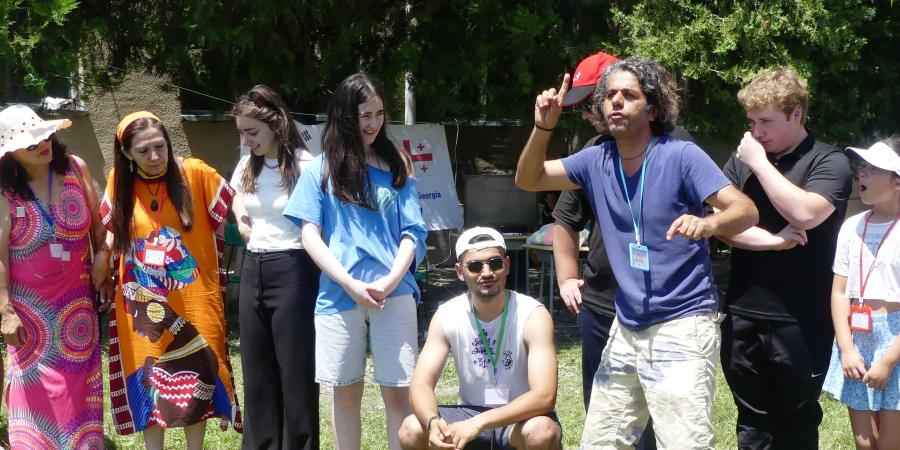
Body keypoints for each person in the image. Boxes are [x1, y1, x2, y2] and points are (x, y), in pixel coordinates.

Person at [515, 57, 758, 449]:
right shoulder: (596, 160)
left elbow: (745, 210)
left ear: (653, 109)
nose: (615, 102)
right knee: (600, 443)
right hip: (626, 326)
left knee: (685, 444)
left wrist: (709, 224)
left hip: (682, 324)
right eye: (609, 95)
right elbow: (529, 179)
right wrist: (544, 125)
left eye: (628, 95)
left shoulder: (681, 155)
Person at [283, 73, 428, 450]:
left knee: (398, 394)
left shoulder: (399, 164)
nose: (373, 123)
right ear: (346, 115)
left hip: (394, 296)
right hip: (337, 297)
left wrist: (391, 281)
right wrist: (350, 283)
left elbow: (413, 232)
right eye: (365, 114)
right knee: (344, 394)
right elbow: (309, 235)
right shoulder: (319, 169)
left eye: (379, 114)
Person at [718, 67, 852, 450]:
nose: (756, 132)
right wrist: (772, 242)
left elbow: (806, 214)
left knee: (796, 424)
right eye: (751, 122)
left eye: (766, 121)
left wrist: (759, 164)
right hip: (743, 312)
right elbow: (720, 224)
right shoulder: (741, 160)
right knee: (753, 425)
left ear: (797, 114)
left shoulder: (829, 161)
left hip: (801, 319)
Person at [96, 111, 242, 450]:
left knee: (201, 371)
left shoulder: (195, 173)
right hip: (142, 309)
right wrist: (103, 255)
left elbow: (239, 202)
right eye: (143, 151)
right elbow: (111, 233)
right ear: (127, 154)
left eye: (160, 147)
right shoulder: (120, 181)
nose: (154, 157)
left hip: (194, 299)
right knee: (148, 377)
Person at [0, 105, 106, 449]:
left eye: (44, 136)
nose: (43, 144)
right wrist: (5, 312)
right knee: (35, 396)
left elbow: (98, 229)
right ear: (11, 155)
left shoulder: (76, 168)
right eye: (30, 143)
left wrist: (103, 257)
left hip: (78, 310)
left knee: (78, 389)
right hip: (31, 318)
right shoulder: (4, 194)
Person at [398, 227, 561, 450]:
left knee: (541, 432)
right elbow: (420, 385)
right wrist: (433, 421)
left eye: (494, 263)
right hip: (468, 412)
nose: (486, 273)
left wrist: (478, 423)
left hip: (519, 418)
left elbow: (544, 396)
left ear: (507, 265)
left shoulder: (533, 314)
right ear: (459, 271)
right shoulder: (447, 315)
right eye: (475, 266)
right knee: (410, 429)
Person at [231, 85, 321, 449]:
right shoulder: (247, 163)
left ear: (277, 125)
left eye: (252, 132)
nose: (246, 140)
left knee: (295, 371)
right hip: (253, 266)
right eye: (241, 133)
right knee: (256, 370)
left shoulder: (306, 165)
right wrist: (240, 218)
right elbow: (238, 194)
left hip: (294, 268)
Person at [822, 138, 900, 450]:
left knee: (890, 443)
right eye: (862, 168)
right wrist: (847, 348)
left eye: (872, 169)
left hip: (895, 340)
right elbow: (839, 292)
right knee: (865, 442)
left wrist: (890, 359)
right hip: (857, 337)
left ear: (896, 180)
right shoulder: (852, 227)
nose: (861, 175)